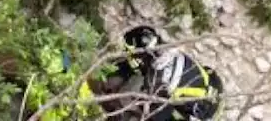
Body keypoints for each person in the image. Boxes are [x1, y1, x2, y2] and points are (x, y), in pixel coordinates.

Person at [95, 26, 224, 121]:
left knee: (149, 109)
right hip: (213, 88)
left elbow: (154, 110)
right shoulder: (170, 50)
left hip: (202, 112)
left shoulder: (156, 77)